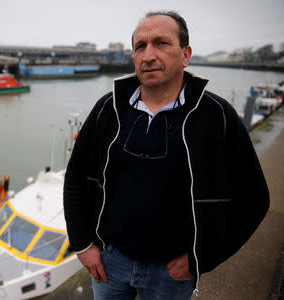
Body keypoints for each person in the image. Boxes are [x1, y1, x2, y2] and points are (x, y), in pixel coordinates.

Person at [63, 10, 269, 300]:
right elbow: (75, 178)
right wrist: (83, 245)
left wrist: (203, 257)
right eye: (140, 46)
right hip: (110, 263)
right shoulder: (106, 109)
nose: (148, 55)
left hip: (170, 274)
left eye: (161, 43)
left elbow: (255, 198)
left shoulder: (216, 116)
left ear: (185, 55)